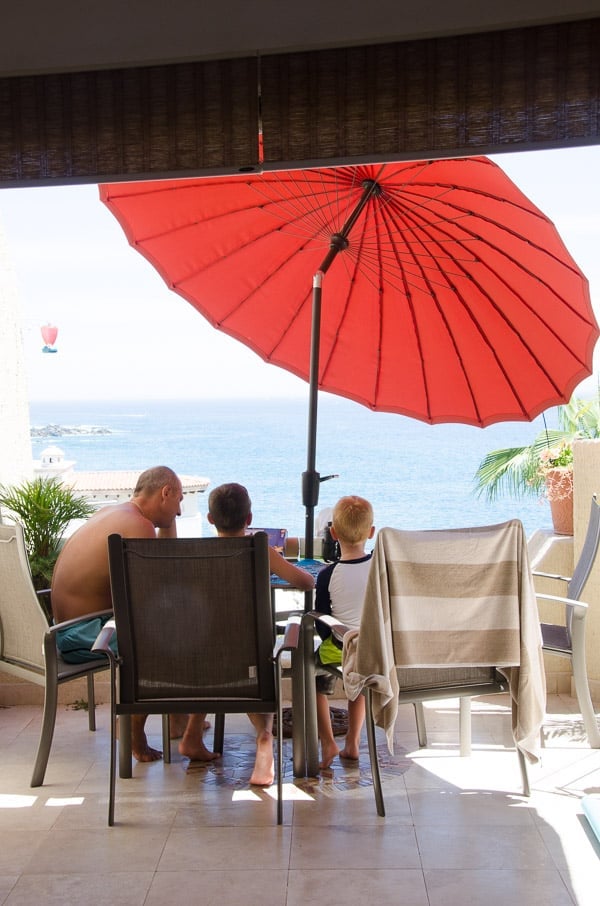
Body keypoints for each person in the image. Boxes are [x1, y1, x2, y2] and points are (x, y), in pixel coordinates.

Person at [51, 465, 216, 764]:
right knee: (164, 640)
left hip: (66, 627)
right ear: (165, 493)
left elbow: (160, 572)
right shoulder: (138, 526)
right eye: (178, 501)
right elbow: (155, 592)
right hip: (83, 635)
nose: (179, 512)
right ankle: (131, 729)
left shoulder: (114, 513)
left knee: (170, 629)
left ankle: (178, 721)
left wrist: (165, 524)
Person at [178, 482, 315, 786]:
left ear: (210, 519)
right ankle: (264, 735)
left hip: (201, 662)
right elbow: (305, 583)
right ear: (249, 518)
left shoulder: (197, 553)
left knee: (211, 653)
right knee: (256, 659)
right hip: (251, 660)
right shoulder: (259, 549)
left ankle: (191, 735)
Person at [313, 495, 375, 769]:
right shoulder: (378, 568)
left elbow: (320, 619)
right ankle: (352, 742)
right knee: (358, 678)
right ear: (371, 533)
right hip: (373, 650)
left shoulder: (328, 574)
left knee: (315, 677)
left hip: (339, 648)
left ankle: (328, 742)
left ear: (333, 533)